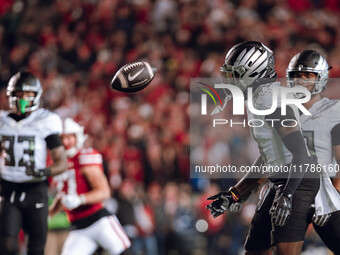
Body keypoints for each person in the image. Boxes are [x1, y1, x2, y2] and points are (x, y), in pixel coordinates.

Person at [206, 41, 320, 255]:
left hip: (300, 179)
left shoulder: (271, 100)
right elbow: (269, 159)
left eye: (235, 74)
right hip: (283, 179)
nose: (230, 80)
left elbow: (301, 154)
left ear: (253, 72)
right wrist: (234, 194)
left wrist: (287, 195)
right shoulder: (259, 99)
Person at [0, 71, 68, 255]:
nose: (23, 99)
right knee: (6, 245)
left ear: (36, 96)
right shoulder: (2, 120)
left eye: (28, 95)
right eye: (19, 95)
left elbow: (62, 162)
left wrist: (42, 172)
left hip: (35, 189)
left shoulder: (45, 120)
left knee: (36, 247)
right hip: (8, 188)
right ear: (11, 96)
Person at [49, 117, 131, 255]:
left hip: (98, 221)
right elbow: (63, 196)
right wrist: (49, 214)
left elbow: (104, 192)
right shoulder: (60, 163)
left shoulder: (84, 157)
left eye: (69, 137)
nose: (65, 142)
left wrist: (80, 199)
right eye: (62, 138)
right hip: (78, 227)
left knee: (123, 253)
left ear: (77, 137)